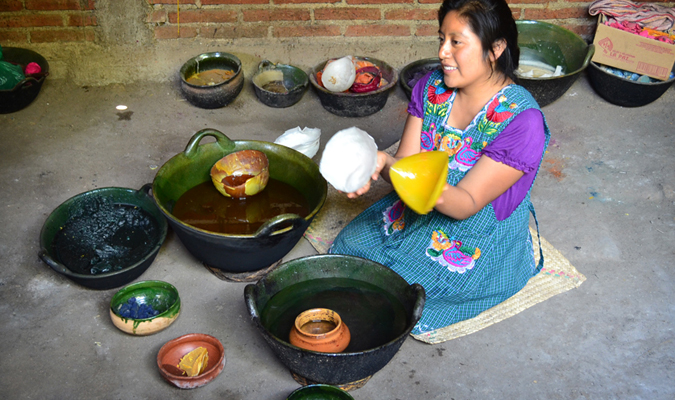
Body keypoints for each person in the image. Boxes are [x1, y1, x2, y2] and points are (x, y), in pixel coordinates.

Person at [330, 0, 551, 335]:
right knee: (349, 251)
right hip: (418, 205)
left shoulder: (523, 122)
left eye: (457, 42)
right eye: (441, 39)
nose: (443, 52)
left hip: (474, 229)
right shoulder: (432, 88)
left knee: (404, 297)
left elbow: (464, 204)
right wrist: (377, 163)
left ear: (495, 48)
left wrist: (391, 166)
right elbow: (405, 167)